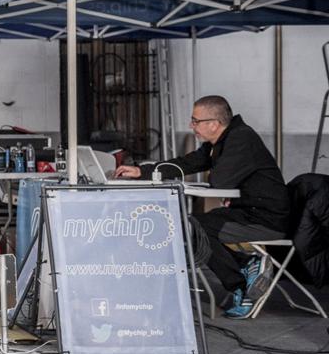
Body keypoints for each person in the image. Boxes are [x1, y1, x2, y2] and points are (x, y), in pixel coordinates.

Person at [115, 95, 289, 318]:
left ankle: (241, 283)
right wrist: (144, 171)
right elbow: (187, 163)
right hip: (246, 212)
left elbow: (221, 181)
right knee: (192, 225)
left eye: (196, 121)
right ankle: (246, 267)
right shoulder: (223, 141)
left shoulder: (240, 139)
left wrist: (212, 159)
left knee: (194, 228)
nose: (192, 126)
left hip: (267, 219)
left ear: (214, 124)